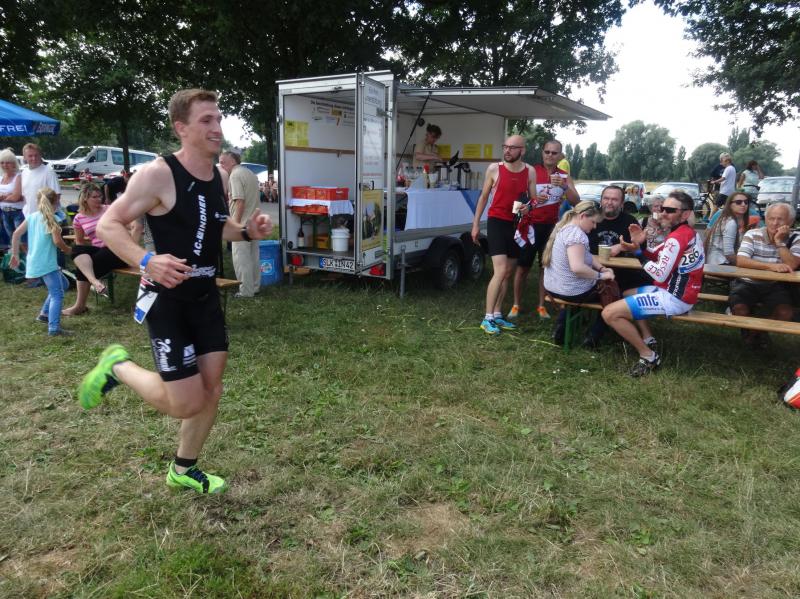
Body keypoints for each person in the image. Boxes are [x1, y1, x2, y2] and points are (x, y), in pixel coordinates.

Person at [77, 88, 274, 494]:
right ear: (181, 128)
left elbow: (215, 223)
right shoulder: (158, 174)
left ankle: (183, 468)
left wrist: (245, 232)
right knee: (186, 402)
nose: (217, 128)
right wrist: (146, 260)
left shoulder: (219, 176)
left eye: (219, 119)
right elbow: (111, 225)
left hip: (205, 298)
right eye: (207, 120)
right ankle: (117, 367)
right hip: (167, 301)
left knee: (211, 390)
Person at [602, 191, 705, 377]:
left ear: (685, 214)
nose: (663, 213)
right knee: (626, 293)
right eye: (663, 208)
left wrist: (638, 254)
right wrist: (639, 244)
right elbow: (655, 252)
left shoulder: (676, 238)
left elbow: (659, 273)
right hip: (680, 293)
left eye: (670, 210)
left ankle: (648, 356)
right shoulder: (687, 233)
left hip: (674, 298)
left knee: (609, 314)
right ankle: (649, 338)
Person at [471, 134, 538, 335]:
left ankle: (498, 314)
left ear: (522, 150)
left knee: (508, 272)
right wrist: (475, 225)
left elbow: (534, 200)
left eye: (512, 147)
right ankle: (487, 318)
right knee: (500, 271)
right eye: (505, 146)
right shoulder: (494, 168)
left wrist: (528, 207)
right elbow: (483, 197)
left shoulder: (530, 171)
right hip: (497, 222)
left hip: (516, 224)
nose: (507, 150)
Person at [508, 139, 579, 321]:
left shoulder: (564, 176)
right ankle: (516, 304)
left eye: (554, 153)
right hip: (530, 226)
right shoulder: (531, 171)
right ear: (542, 153)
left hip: (550, 228)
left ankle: (541, 305)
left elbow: (576, 201)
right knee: (523, 267)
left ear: (560, 155)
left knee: (545, 267)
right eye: (547, 152)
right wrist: (532, 201)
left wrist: (564, 186)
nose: (550, 155)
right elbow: (515, 202)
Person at [582, 185, 651, 348]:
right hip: (592, 269)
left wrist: (622, 247)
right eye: (606, 198)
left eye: (614, 199)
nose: (609, 202)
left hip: (622, 271)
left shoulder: (629, 221)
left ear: (621, 203)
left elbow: (640, 246)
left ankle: (595, 334)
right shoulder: (592, 218)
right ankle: (563, 327)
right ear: (601, 200)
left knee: (613, 289)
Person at [542, 201, 614, 344]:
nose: (594, 227)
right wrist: (601, 276)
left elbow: (586, 255)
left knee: (585, 291)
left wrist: (601, 268)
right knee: (612, 295)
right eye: (593, 222)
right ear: (583, 216)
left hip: (552, 288)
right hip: (569, 291)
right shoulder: (577, 235)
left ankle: (562, 327)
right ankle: (593, 337)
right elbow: (578, 268)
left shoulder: (564, 228)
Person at [730, 202, 800, 348]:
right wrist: (771, 266)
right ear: (765, 219)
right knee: (739, 309)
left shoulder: (796, 237)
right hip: (747, 282)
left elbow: (793, 264)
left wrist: (779, 242)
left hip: (774, 285)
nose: (775, 223)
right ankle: (757, 336)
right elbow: (741, 260)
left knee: (785, 313)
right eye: (771, 218)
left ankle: (754, 333)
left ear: (790, 222)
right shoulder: (753, 234)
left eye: (780, 219)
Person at [62, 183, 139, 315]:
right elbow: (79, 241)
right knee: (76, 249)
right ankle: (94, 282)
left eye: (100, 196)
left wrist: (131, 246)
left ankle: (80, 305)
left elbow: (134, 225)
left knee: (85, 267)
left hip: (118, 250)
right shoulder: (79, 218)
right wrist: (81, 256)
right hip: (100, 251)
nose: (99, 199)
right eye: (95, 197)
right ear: (85, 198)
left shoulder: (109, 209)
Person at [9, 187, 72, 336]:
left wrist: (15, 254)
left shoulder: (32, 217)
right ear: (56, 202)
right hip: (47, 264)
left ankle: (44, 314)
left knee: (64, 284)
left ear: (38, 202)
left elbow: (16, 234)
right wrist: (69, 250)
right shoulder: (52, 219)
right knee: (57, 294)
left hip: (36, 261)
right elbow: (58, 242)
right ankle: (54, 328)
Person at [219, 150, 261, 298]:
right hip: (253, 224)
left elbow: (239, 202)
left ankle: (245, 292)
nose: (220, 165)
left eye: (223, 162)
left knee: (241, 259)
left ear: (232, 161)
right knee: (253, 257)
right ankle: (255, 287)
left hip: (242, 225)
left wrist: (235, 226)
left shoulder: (235, 175)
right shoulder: (249, 173)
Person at [704, 192, 752, 265]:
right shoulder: (731, 222)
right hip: (720, 264)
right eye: (738, 202)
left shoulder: (726, 218)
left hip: (716, 262)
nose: (743, 204)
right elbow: (729, 253)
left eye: (746, 202)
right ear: (730, 205)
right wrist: (743, 263)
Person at [21, 143, 60, 218]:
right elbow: (25, 196)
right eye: (30, 156)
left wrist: (48, 216)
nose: (34, 158)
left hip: (45, 217)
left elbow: (56, 196)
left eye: (36, 155)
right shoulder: (24, 172)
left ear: (40, 155)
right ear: (25, 157)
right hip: (29, 216)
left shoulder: (49, 172)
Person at [0, 148, 24, 249]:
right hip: (4, 213)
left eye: (8, 162)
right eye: (2, 162)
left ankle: (27, 258)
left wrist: (2, 196)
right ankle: (17, 257)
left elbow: (16, 197)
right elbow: (14, 196)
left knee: (22, 241)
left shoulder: (19, 177)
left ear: (14, 163)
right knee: (12, 241)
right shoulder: (1, 178)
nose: (5, 165)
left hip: (18, 213)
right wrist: (9, 194)